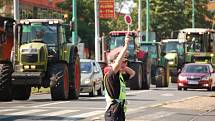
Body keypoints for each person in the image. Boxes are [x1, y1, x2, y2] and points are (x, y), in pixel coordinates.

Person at [103, 33, 130, 121]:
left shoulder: (119, 76)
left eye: (125, 62)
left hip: (118, 110)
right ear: (113, 62)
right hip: (113, 112)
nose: (123, 64)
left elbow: (132, 73)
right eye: (122, 61)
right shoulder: (111, 75)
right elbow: (117, 64)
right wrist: (126, 46)